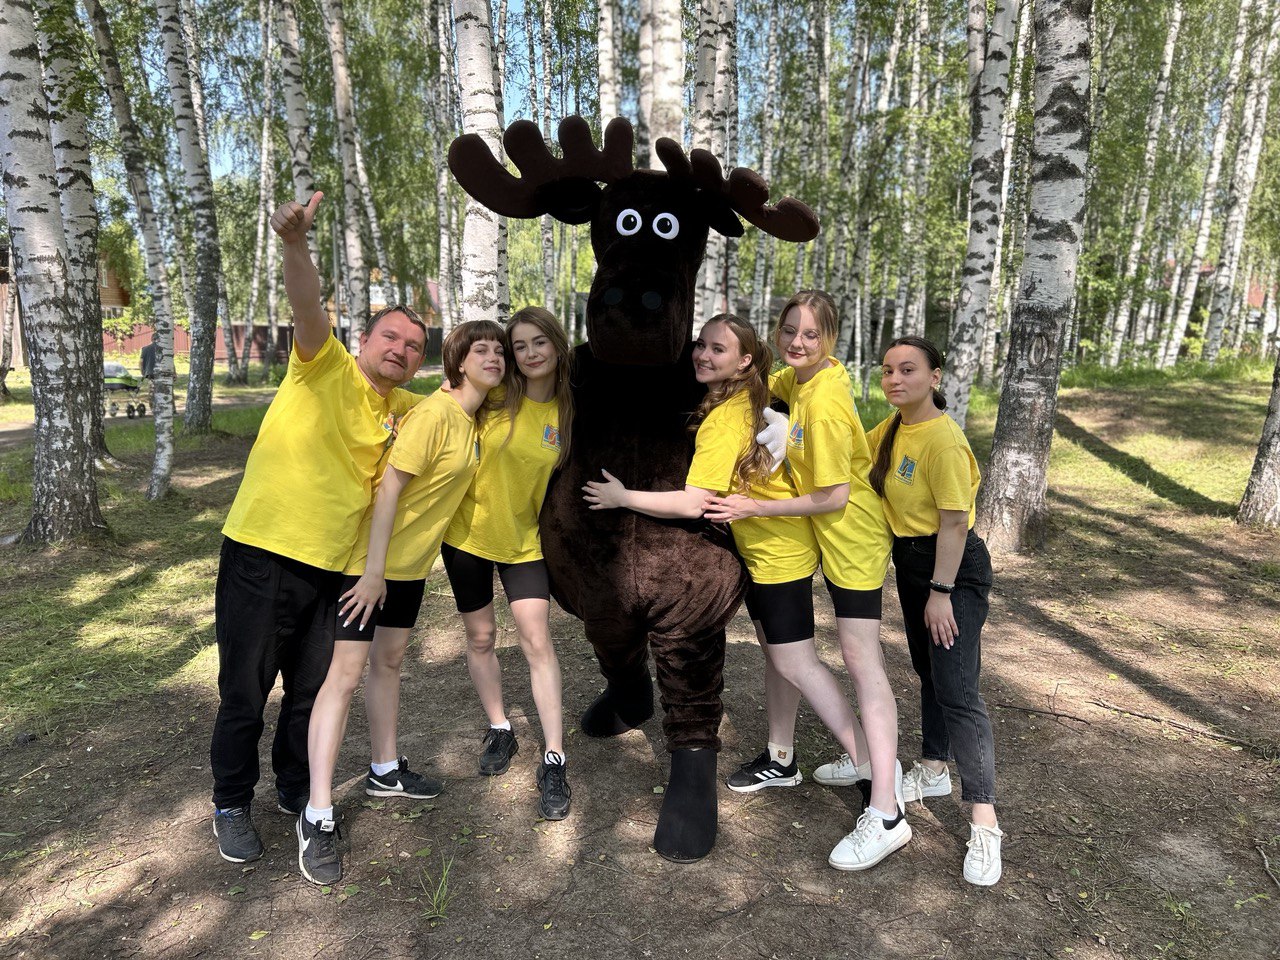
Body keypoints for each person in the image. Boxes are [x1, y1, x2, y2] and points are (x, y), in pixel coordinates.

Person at [209, 192, 425, 864]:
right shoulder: (322, 364)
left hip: (335, 572)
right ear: (363, 340)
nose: (400, 349)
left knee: (309, 694)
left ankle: (294, 787)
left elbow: (470, 399)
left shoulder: (406, 409)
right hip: (263, 552)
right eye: (390, 337)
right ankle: (230, 803)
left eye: (414, 346)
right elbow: (307, 306)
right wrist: (295, 245)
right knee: (245, 692)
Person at [294, 319, 506, 885]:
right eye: (481, 349)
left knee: (388, 664)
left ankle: (384, 770)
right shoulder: (436, 415)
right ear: (458, 360)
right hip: (368, 567)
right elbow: (389, 487)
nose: (494, 357)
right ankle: (317, 812)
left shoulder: (470, 419)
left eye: (500, 351)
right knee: (343, 676)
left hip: (408, 570)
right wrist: (372, 572)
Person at [704, 291, 906, 872]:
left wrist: (753, 507)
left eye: (811, 335)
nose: (797, 342)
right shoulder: (798, 380)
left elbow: (834, 495)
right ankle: (804, 759)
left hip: (853, 538)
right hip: (820, 536)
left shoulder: (826, 402)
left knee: (862, 661)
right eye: (789, 330)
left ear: (831, 340)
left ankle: (886, 807)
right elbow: (759, 391)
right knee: (796, 654)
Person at [868, 335, 1001, 886]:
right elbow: (850, 452)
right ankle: (933, 768)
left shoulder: (943, 441)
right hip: (913, 564)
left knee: (958, 690)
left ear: (935, 377)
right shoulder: (894, 427)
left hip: (951, 569)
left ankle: (985, 824)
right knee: (930, 672)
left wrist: (941, 592)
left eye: (908, 370)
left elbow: (954, 522)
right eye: (887, 370)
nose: (895, 379)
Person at [441, 307, 575, 821]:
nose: (530, 353)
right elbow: (444, 408)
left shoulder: (568, 411)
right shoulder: (495, 396)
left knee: (537, 641)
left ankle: (554, 756)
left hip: (524, 544)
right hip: (466, 539)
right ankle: (500, 727)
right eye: (520, 345)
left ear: (556, 345)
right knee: (480, 638)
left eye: (539, 342)